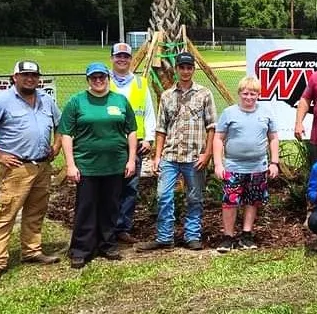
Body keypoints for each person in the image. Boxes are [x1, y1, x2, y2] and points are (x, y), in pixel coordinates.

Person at [0, 60, 62, 282]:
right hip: (16, 167)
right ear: (14, 77)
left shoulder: (46, 99)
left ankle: (32, 250)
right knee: (6, 213)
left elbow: (61, 125)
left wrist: (56, 146)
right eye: (25, 75)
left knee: (36, 211)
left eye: (34, 75)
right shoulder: (1, 101)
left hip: (42, 165)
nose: (30, 79)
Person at [136, 52, 216, 252]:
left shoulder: (204, 94)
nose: (186, 71)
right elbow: (161, 128)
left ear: (193, 70)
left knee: (195, 197)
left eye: (189, 68)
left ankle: (192, 235)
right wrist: (157, 157)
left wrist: (207, 154)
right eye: (182, 67)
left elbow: (212, 127)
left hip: (194, 156)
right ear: (177, 69)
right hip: (170, 156)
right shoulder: (167, 95)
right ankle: (164, 237)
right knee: (163, 196)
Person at [60, 62, 137, 269]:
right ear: (88, 80)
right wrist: (70, 164)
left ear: (108, 78)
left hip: (115, 165)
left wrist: (131, 159)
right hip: (87, 166)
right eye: (94, 77)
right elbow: (66, 134)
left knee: (111, 207)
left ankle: (107, 244)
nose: (98, 81)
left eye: (102, 77)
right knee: (86, 207)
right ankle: (81, 249)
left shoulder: (119, 100)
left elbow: (131, 131)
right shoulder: (76, 102)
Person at [213, 76, 279, 252]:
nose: (249, 97)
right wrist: (218, 164)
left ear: (259, 94)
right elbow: (218, 138)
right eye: (246, 93)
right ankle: (228, 236)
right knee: (230, 202)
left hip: (258, 167)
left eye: (253, 94)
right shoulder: (229, 113)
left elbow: (273, 138)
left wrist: (274, 162)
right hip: (233, 166)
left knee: (252, 201)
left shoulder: (266, 113)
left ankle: (246, 235)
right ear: (239, 93)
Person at [108, 42, 156, 244]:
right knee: (109, 187)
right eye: (118, 56)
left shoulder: (140, 83)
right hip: (110, 143)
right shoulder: (102, 81)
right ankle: (106, 227)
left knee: (130, 188)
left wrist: (149, 138)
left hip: (135, 144)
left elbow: (148, 112)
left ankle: (122, 227)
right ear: (112, 58)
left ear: (130, 59)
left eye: (126, 56)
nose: (122, 60)